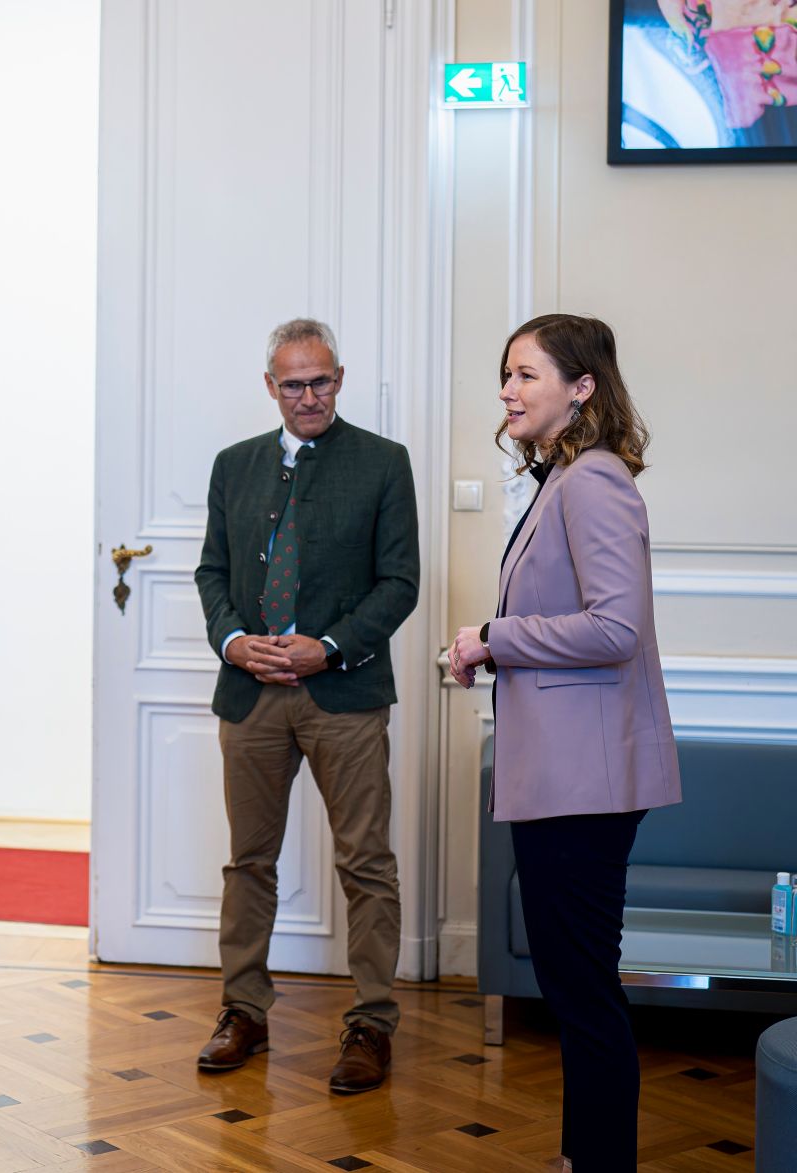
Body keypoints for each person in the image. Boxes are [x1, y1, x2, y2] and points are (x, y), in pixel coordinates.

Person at [450, 313, 679, 1170]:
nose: (507, 391)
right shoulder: (562, 480)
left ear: (582, 387)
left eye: (525, 375)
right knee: (575, 988)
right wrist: (491, 643)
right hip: (563, 777)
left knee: (582, 996)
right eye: (504, 375)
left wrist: (491, 637)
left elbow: (616, 627)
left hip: (584, 784)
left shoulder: (594, 480)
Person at [193, 318, 419, 1093]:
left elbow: (401, 583)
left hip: (345, 695)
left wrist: (330, 645)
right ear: (271, 386)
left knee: (366, 862)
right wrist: (231, 641)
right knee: (248, 860)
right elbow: (212, 572)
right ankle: (244, 1010)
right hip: (250, 695)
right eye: (293, 383)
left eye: (321, 379)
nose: (309, 394)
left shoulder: (385, 464)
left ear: (340, 378)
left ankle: (372, 1022)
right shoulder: (235, 465)